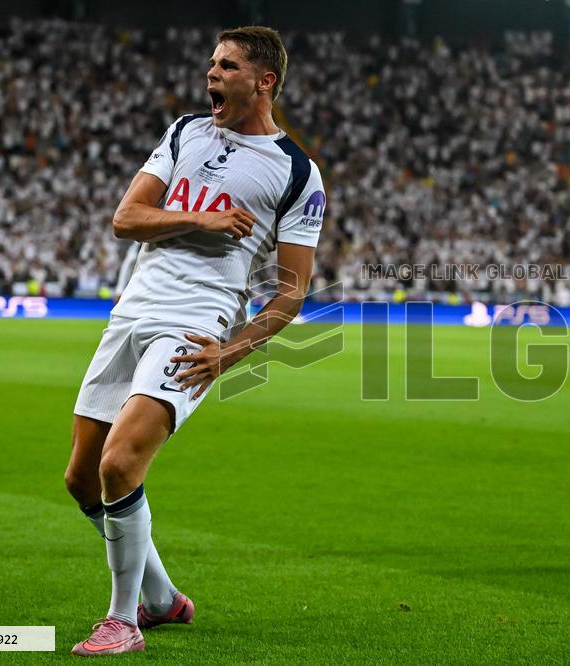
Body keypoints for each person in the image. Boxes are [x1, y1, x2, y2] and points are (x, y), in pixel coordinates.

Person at [64, 26, 326, 655]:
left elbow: (290, 292)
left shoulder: (297, 172)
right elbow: (127, 219)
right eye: (211, 62)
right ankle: (162, 599)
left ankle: (123, 620)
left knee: (120, 463)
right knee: (81, 479)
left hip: (195, 322)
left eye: (227, 65)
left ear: (263, 81)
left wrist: (228, 352)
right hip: (132, 311)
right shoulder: (184, 132)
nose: (212, 73)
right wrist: (200, 217)